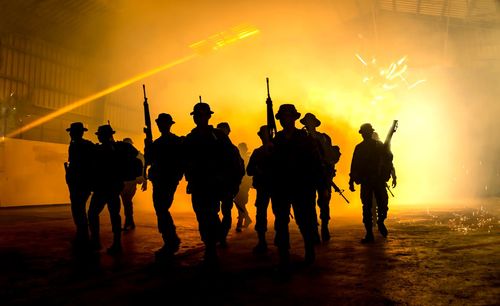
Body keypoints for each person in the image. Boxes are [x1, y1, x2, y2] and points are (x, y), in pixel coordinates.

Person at [270, 104, 328, 271]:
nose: (286, 120)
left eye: (289, 117)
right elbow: (271, 166)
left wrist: (322, 187)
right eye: (283, 117)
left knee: (306, 221)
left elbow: (317, 164)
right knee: (281, 222)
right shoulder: (276, 141)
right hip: (282, 187)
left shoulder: (306, 139)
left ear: (294, 119)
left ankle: (309, 251)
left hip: (303, 187)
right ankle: (283, 255)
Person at [184, 102, 242, 266]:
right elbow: (184, 160)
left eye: (202, 115)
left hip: (215, 185)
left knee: (210, 215)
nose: (199, 118)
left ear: (208, 117)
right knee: (202, 217)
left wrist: (230, 184)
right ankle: (211, 243)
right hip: (198, 185)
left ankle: (211, 247)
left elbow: (233, 160)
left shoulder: (219, 136)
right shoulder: (190, 138)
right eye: (197, 115)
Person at [88, 124, 138, 254]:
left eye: (100, 135)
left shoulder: (101, 149)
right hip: (114, 188)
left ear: (103, 136)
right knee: (114, 215)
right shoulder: (119, 148)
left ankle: (96, 242)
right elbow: (134, 153)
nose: (99, 137)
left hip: (102, 188)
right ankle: (116, 243)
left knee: (93, 213)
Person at [143, 113, 185, 258]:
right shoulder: (159, 142)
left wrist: (149, 146)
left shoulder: (173, 141)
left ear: (169, 125)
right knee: (161, 209)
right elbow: (148, 159)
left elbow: (180, 161)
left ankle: (171, 240)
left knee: (161, 209)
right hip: (161, 180)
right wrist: (148, 145)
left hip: (167, 179)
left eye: (163, 123)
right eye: (159, 123)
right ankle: (170, 239)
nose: (160, 126)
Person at [300, 113, 340, 242]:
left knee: (324, 202)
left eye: (311, 122)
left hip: (323, 175)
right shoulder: (302, 138)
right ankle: (314, 231)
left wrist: (329, 170)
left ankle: (324, 226)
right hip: (308, 176)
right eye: (307, 122)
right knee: (309, 205)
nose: (309, 124)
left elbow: (331, 156)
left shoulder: (323, 138)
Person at [349, 123, 391, 243]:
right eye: (363, 133)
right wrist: (351, 180)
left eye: (366, 132)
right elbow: (354, 165)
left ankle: (381, 221)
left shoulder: (379, 146)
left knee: (383, 204)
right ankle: (369, 233)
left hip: (378, 180)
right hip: (366, 181)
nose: (364, 135)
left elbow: (388, 159)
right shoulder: (359, 148)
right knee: (366, 207)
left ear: (370, 133)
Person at [64, 122, 95, 250]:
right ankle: (82, 233)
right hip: (77, 181)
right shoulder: (75, 144)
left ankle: (83, 234)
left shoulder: (82, 145)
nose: (70, 134)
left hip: (81, 182)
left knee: (78, 208)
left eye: (72, 131)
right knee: (78, 208)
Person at [215, 122, 244, 246]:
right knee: (213, 212)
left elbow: (240, 170)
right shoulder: (212, 148)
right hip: (215, 186)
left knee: (226, 212)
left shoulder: (232, 149)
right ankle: (219, 235)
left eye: (223, 130)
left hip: (227, 187)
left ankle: (222, 236)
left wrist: (234, 186)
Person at [246, 125, 273, 253]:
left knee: (280, 214)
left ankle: (282, 242)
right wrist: (258, 170)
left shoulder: (278, 150)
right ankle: (262, 241)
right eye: (262, 135)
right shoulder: (258, 152)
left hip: (276, 187)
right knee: (261, 214)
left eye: (265, 134)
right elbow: (249, 170)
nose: (263, 137)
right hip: (263, 187)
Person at [120, 137, 145, 231]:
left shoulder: (137, 157)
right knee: (127, 202)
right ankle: (130, 221)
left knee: (127, 202)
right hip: (127, 182)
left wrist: (144, 181)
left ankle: (129, 221)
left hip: (130, 182)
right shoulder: (136, 157)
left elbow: (143, 168)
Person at [234, 142, 252, 232]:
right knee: (239, 203)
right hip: (238, 183)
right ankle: (247, 218)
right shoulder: (237, 159)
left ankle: (240, 223)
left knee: (240, 203)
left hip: (244, 185)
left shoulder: (247, 159)